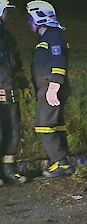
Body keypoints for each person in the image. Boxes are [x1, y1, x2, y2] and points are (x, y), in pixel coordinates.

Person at [27, 1, 72, 178]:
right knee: (56, 126)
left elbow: (58, 61)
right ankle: (63, 162)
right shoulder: (50, 36)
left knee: (44, 127)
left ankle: (60, 163)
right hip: (49, 86)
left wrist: (53, 86)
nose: (28, 21)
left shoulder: (52, 36)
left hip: (51, 86)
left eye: (30, 17)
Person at [0, 0, 28, 186]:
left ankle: (8, 170)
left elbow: (15, 63)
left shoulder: (7, 37)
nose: (8, 15)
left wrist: (23, 82)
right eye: (5, 12)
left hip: (10, 91)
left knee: (12, 132)